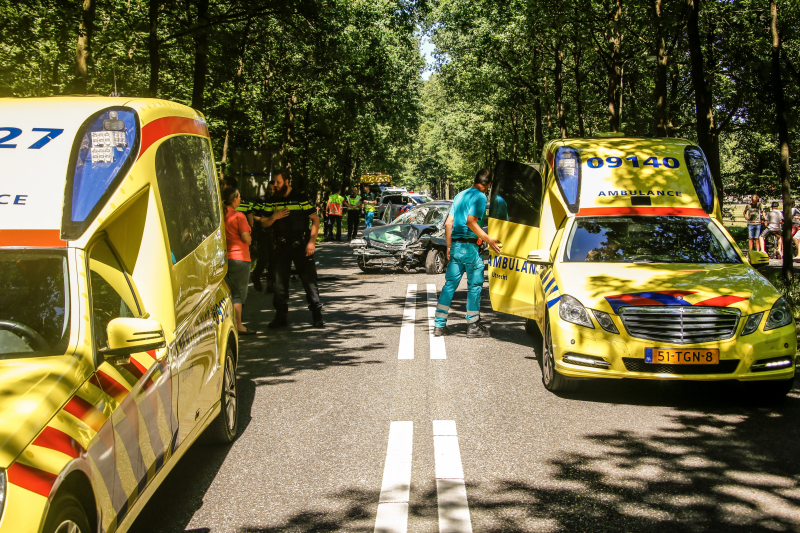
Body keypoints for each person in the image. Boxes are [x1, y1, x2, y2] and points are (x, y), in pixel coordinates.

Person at [433, 169, 501, 339]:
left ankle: (439, 326)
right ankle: (473, 326)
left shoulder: (460, 195)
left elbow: (449, 223)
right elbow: (471, 222)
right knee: (475, 286)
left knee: (449, 285)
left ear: (474, 179)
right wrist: (489, 239)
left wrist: (449, 247)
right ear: (489, 185)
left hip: (456, 246)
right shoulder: (480, 197)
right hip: (470, 248)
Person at [259, 170, 324, 328]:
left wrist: (312, 242)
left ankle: (317, 315)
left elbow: (315, 219)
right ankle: (281, 317)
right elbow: (263, 222)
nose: (275, 185)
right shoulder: (273, 199)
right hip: (281, 245)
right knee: (279, 283)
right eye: (274, 182)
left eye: (278, 182)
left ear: (287, 181)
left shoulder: (300, 196)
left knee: (309, 280)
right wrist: (274, 217)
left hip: (301, 243)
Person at [222, 187, 256, 335]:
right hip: (240, 258)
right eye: (239, 197)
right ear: (234, 199)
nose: (241, 199)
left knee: (226, 292)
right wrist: (250, 239)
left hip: (224, 258)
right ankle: (239, 325)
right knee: (238, 294)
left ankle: (226, 323)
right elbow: (245, 238)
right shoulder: (239, 216)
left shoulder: (220, 215)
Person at [250, 183, 276, 292]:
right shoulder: (261, 200)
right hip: (262, 233)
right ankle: (256, 275)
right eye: (270, 189)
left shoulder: (278, 200)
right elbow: (252, 214)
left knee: (274, 260)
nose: (271, 191)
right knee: (264, 258)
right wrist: (262, 220)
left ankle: (271, 284)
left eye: (273, 189)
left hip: (275, 233)